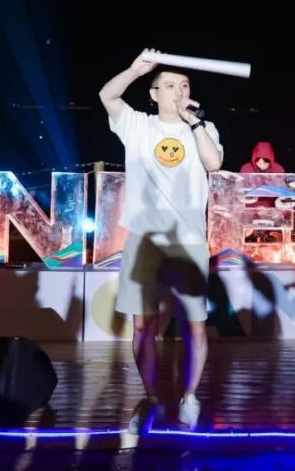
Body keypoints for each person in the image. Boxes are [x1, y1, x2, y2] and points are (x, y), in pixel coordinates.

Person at [99, 49, 223, 432]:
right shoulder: (138, 125)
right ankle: (151, 398)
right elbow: (107, 95)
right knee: (143, 326)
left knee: (194, 325)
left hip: (188, 240)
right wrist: (135, 70)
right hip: (145, 239)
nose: (178, 91)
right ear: (154, 94)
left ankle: (189, 396)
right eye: (169, 85)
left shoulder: (204, 127)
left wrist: (196, 123)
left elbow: (214, 163)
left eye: (184, 85)